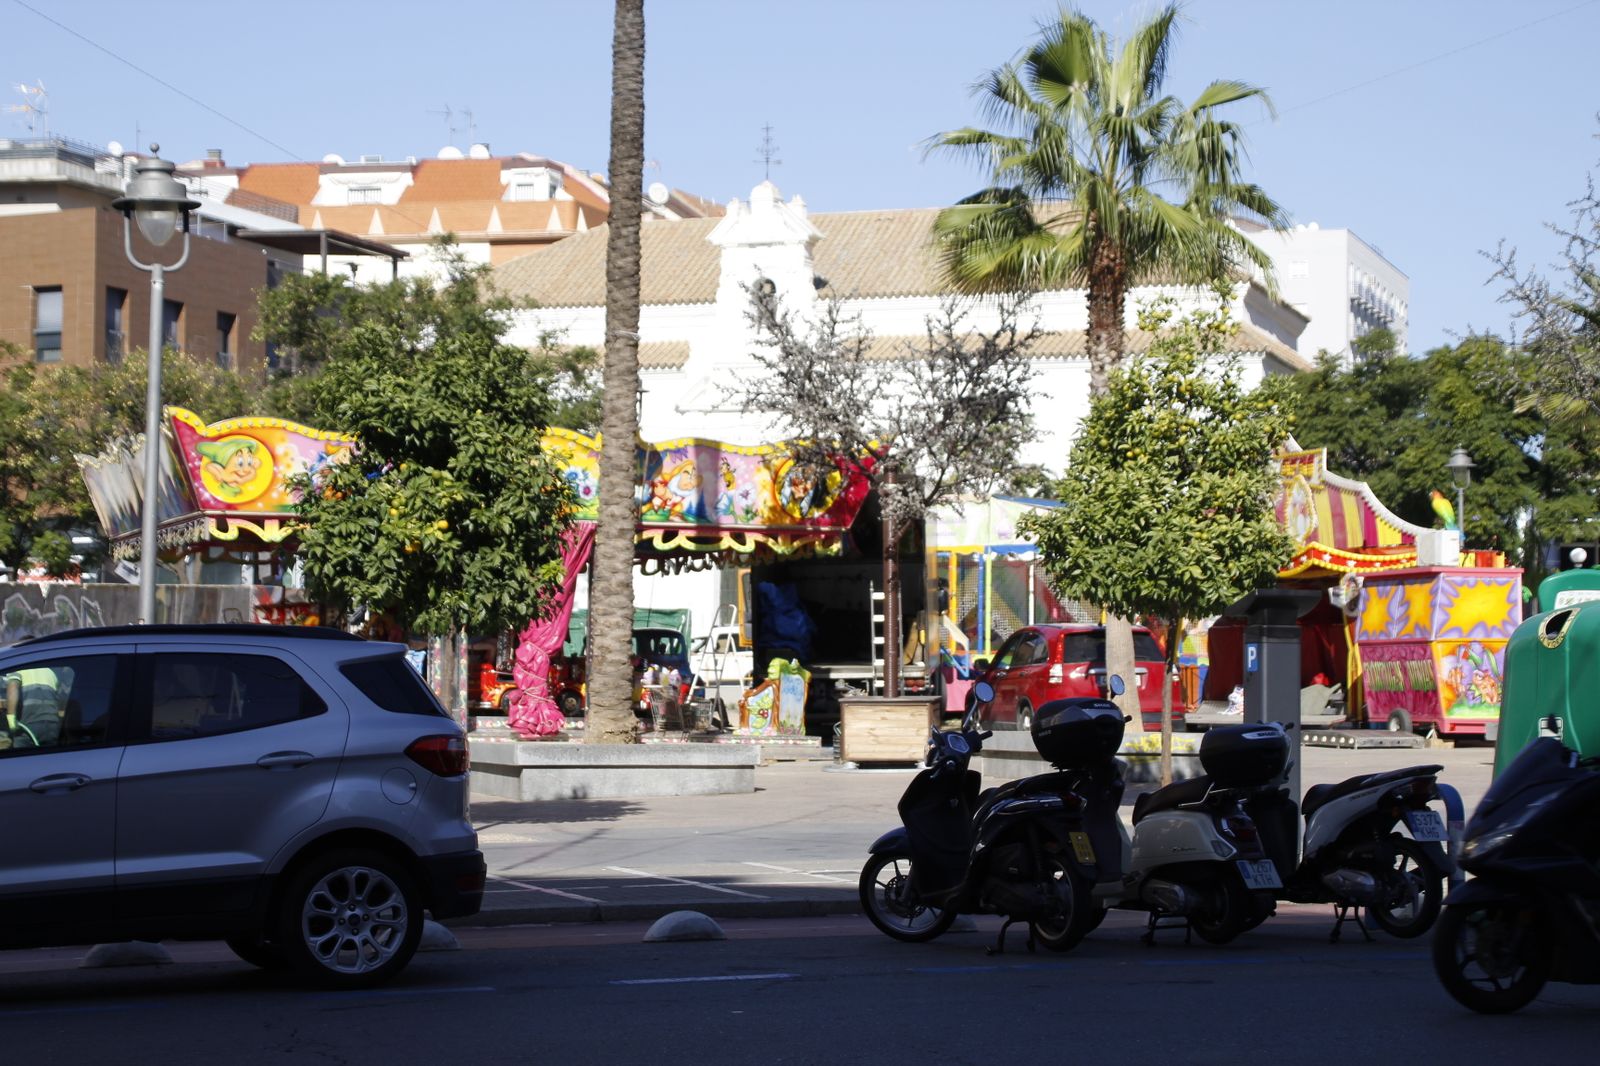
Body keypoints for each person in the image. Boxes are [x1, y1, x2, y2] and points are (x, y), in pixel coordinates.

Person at [2, 664, 66, 750]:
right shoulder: (50, 673)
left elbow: (13, 686)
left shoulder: (18, 668)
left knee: (20, 759)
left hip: (29, 726)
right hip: (52, 726)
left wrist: (11, 717)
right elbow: (60, 702)